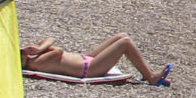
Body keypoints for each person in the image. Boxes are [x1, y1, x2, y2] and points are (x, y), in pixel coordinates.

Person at [21, 34, 172, 85]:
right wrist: (40, 48)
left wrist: (41, 46)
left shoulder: (34, 57)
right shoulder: (36, 63)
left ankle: (149, 72)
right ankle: (150, 76)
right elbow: (57, 51)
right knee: (125, 42)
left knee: (121, 35)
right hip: (90, 69)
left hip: (87, 58)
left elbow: (51, 38)